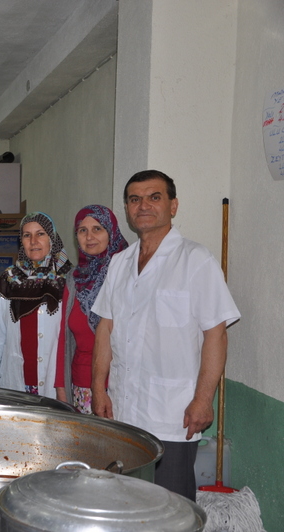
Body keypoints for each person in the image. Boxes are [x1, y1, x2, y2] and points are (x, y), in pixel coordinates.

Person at [91, 170, 240, 501]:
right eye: (135, 199)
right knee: (122, 502)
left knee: (170, 507)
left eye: (154, 197)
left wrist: (204, 399)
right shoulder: (119, 263)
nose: (143, 205)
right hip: (122, 410)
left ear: (173, 206)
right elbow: (106, 328)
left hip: (172, 413)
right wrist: (98, 389)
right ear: (128, 209)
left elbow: (216, 335)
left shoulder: (195, 260)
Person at [0, 212, 72, 398]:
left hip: (55, 386)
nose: (33, 241)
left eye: (40, 234)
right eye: (26, 235)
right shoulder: (10, 278)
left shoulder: (68, 279)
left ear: (52, 239)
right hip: (15, 383)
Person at [59, 205, 128, 413]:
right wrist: (61, 387)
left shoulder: (127, 275)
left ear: (111, 232)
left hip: (121, 386)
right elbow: (63, 338)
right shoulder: (73, 279)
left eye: (97, 229)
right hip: (81, 387)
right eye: (82, 230)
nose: (89, 237)